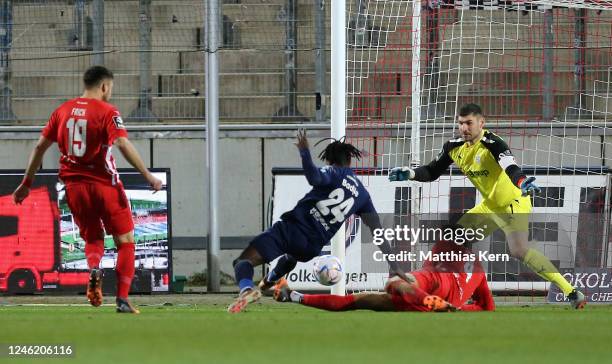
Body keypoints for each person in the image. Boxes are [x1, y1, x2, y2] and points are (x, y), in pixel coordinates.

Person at [388, 103, 586, 309]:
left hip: (513, 201)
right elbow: (431, 171)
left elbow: (510, 167)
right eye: (460, 123)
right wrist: (410, 174)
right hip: (490, 205)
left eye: (469, 123)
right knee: (455, 236)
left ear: (481, 123)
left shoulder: (494, 143)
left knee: (519, 251)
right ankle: (465, 287)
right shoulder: (454, 147)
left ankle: (571, 291)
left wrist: (522, 181)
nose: (464, 128)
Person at [12, 65, 162, 314]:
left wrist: (27, 183)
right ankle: (123, 300)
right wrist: (148, 175)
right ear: (104, 86)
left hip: (74, 187)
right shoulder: (107, 111)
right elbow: (122, 143)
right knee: (125, 241)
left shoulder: (61, 111)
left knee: (92, 237)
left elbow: (39, 147)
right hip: (105, 186)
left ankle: (94, 268)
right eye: (110, 88)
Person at [228, 129, 406, 313]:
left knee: (243, 263)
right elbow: (377, 231)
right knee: (291, 257)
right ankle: (269, 282)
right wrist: (395, 265)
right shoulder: (362, 194)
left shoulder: (334, 172)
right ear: (350, 161)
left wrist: (304, 151)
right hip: (311, 247)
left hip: (292, 229)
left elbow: (314, 177)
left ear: (329, 160)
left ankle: (246, 290)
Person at [274, 240, 495, 312]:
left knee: (387, 286)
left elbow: (427, 272)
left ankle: (426, 299)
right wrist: (457, 307)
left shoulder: (444, 245)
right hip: (441, 303)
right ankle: (293, 296)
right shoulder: (480, 270)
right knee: (364, 299)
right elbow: (488, 308)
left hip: (435, 282)